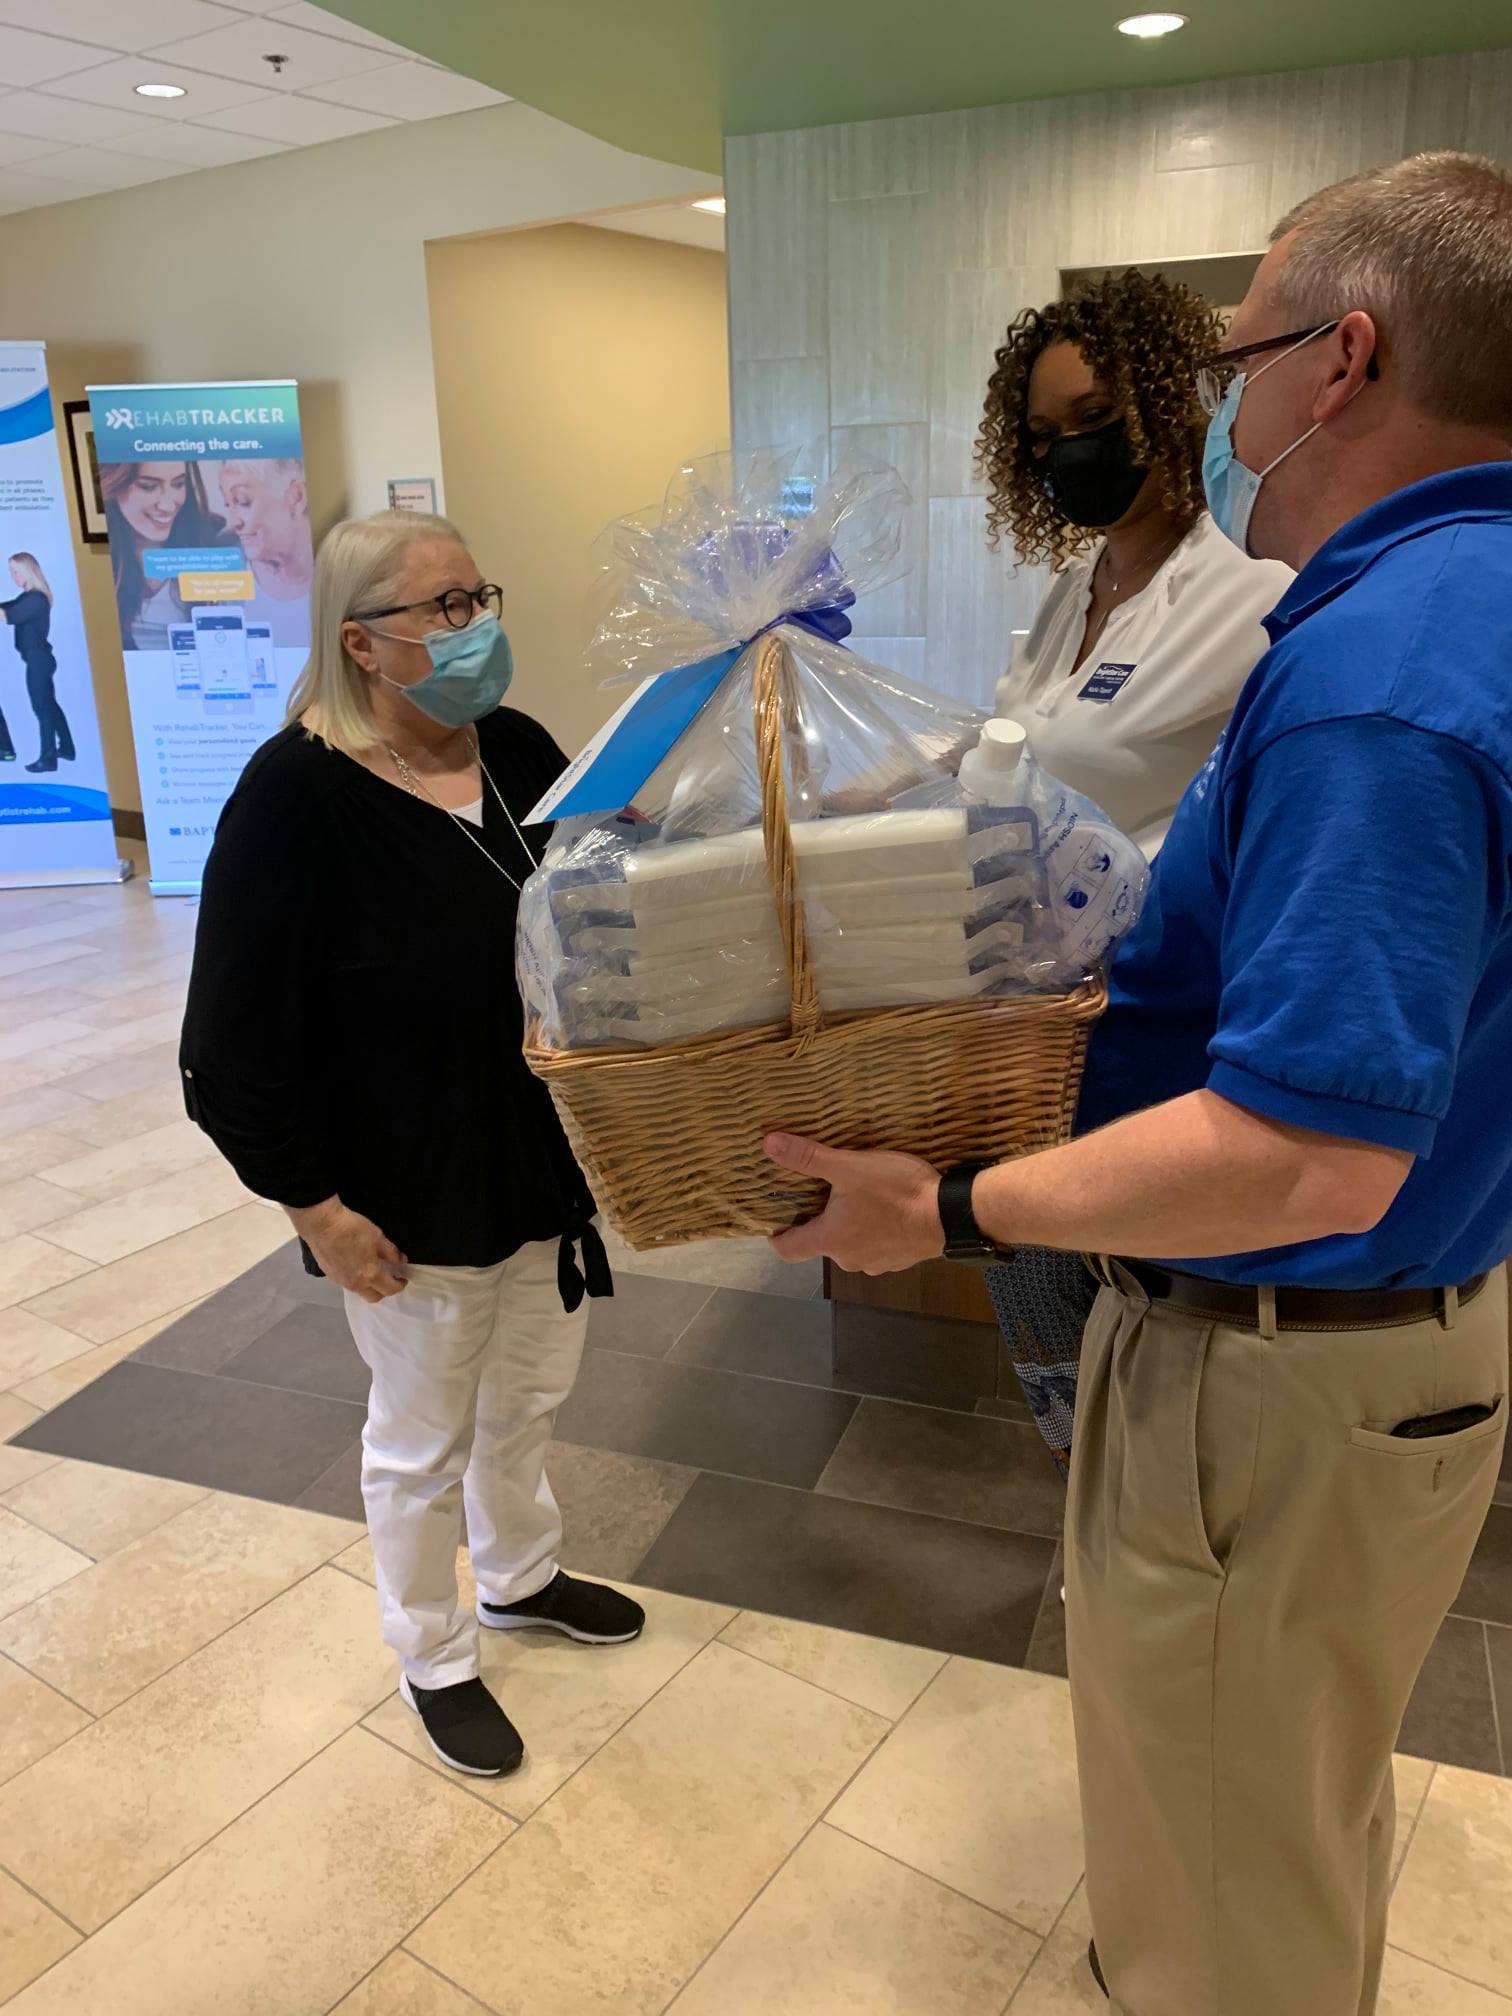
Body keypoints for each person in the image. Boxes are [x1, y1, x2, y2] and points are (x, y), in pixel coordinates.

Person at [762, 150, 1512, 2016]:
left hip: (1277, 1358)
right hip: (1375, 1334)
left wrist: (941, 1203)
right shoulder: (1465, 600)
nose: (1220, 405)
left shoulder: (1376, 670)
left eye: (1237, 353)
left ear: (1340, 360)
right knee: (1271, 1813)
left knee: (1223, 1879)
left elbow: (1304, 1155)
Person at [180, 508, 638, 1780]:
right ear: (361, 646)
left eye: (475, 596)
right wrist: (312, 1209)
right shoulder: (297, 795)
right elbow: (228, 1035)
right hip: (398, 1185)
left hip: (536, 1159)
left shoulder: (518, 748)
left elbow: (594, 903)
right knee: (423, 1431)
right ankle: (433, 1650)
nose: (473, 627)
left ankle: (521, 1575)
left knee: (529, 1398)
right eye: (439, 609)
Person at [977, 271, 1292, 1469]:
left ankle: (1146, 1526)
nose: (1070, 457)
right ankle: (1094, 1507)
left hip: (1161, 1018)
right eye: (1046, 437)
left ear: (1172, 407)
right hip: (1047, 1027)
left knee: (1150, 1338)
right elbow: (1019, 748)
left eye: (1094, 423)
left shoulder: (1254, 594)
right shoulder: (1075, 590)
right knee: (1051, 1315)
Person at [101, 459, 227, 650]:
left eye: (178, 484)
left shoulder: (217, 541)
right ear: (114, 483)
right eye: (148, 486)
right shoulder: (97, 559)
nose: (168, 505)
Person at [216, 457, 314, 646]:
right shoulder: (225, 567)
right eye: (228, 504)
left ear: (297, 497)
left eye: (243, 501)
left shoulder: (339, 563)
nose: (233, 522)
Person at [0, 553, 73, 773]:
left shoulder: (36, 599)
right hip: (39, 659)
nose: (13, 576)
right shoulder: (28, 596)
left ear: (28, 571)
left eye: (16, 571)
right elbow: (7, 605)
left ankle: (48, 759)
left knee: (41, 708)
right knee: (50, 704)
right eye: (11, 572)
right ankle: (68, 748)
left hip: (38, 660)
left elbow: (6, 615)